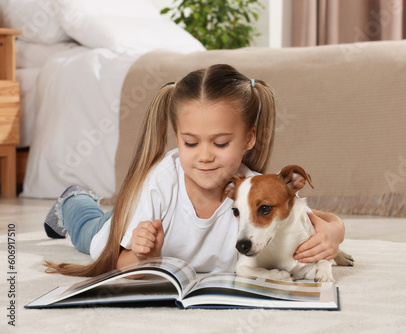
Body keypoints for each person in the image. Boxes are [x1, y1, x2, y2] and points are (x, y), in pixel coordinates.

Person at [44, 64, 345, 277]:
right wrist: (142, 257)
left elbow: (314, 219)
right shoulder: (160, 184)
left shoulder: (253, 192)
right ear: (178, 139)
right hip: (118, 224)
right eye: (190, 143)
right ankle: (74, 199)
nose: (204, 157)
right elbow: (119, 262)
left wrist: (333, 233)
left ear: (248, 139)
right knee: (87, 231)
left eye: (221, 143)